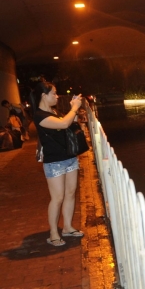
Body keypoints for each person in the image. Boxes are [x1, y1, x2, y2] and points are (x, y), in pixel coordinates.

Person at [30, 81, 84, 247]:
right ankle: (53, 232)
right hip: (54, 162)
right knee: (57, 197)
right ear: (43, 95)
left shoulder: (54, 111)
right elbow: (62, 124)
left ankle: (67, 227)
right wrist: (74, 108)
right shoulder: (39, 116)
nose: (57, 96)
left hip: (69, 158)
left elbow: (68, 124)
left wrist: (74, 111)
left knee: (70, 193)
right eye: (53, 93)